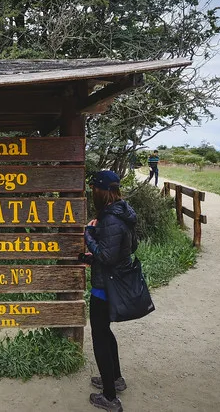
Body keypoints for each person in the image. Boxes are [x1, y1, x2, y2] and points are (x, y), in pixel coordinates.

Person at [83, 170, 138, 412]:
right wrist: (97, 243)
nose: (92, 192)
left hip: (105, 287)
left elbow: (106, 254)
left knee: (100, 338)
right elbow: (130, 245)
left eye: (94, 188)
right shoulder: (121, 212)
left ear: (102, 191)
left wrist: (88, 235)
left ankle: (109, 397)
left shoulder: (110, 219)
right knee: (106, 332)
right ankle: (115, 378)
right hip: (114, 282)